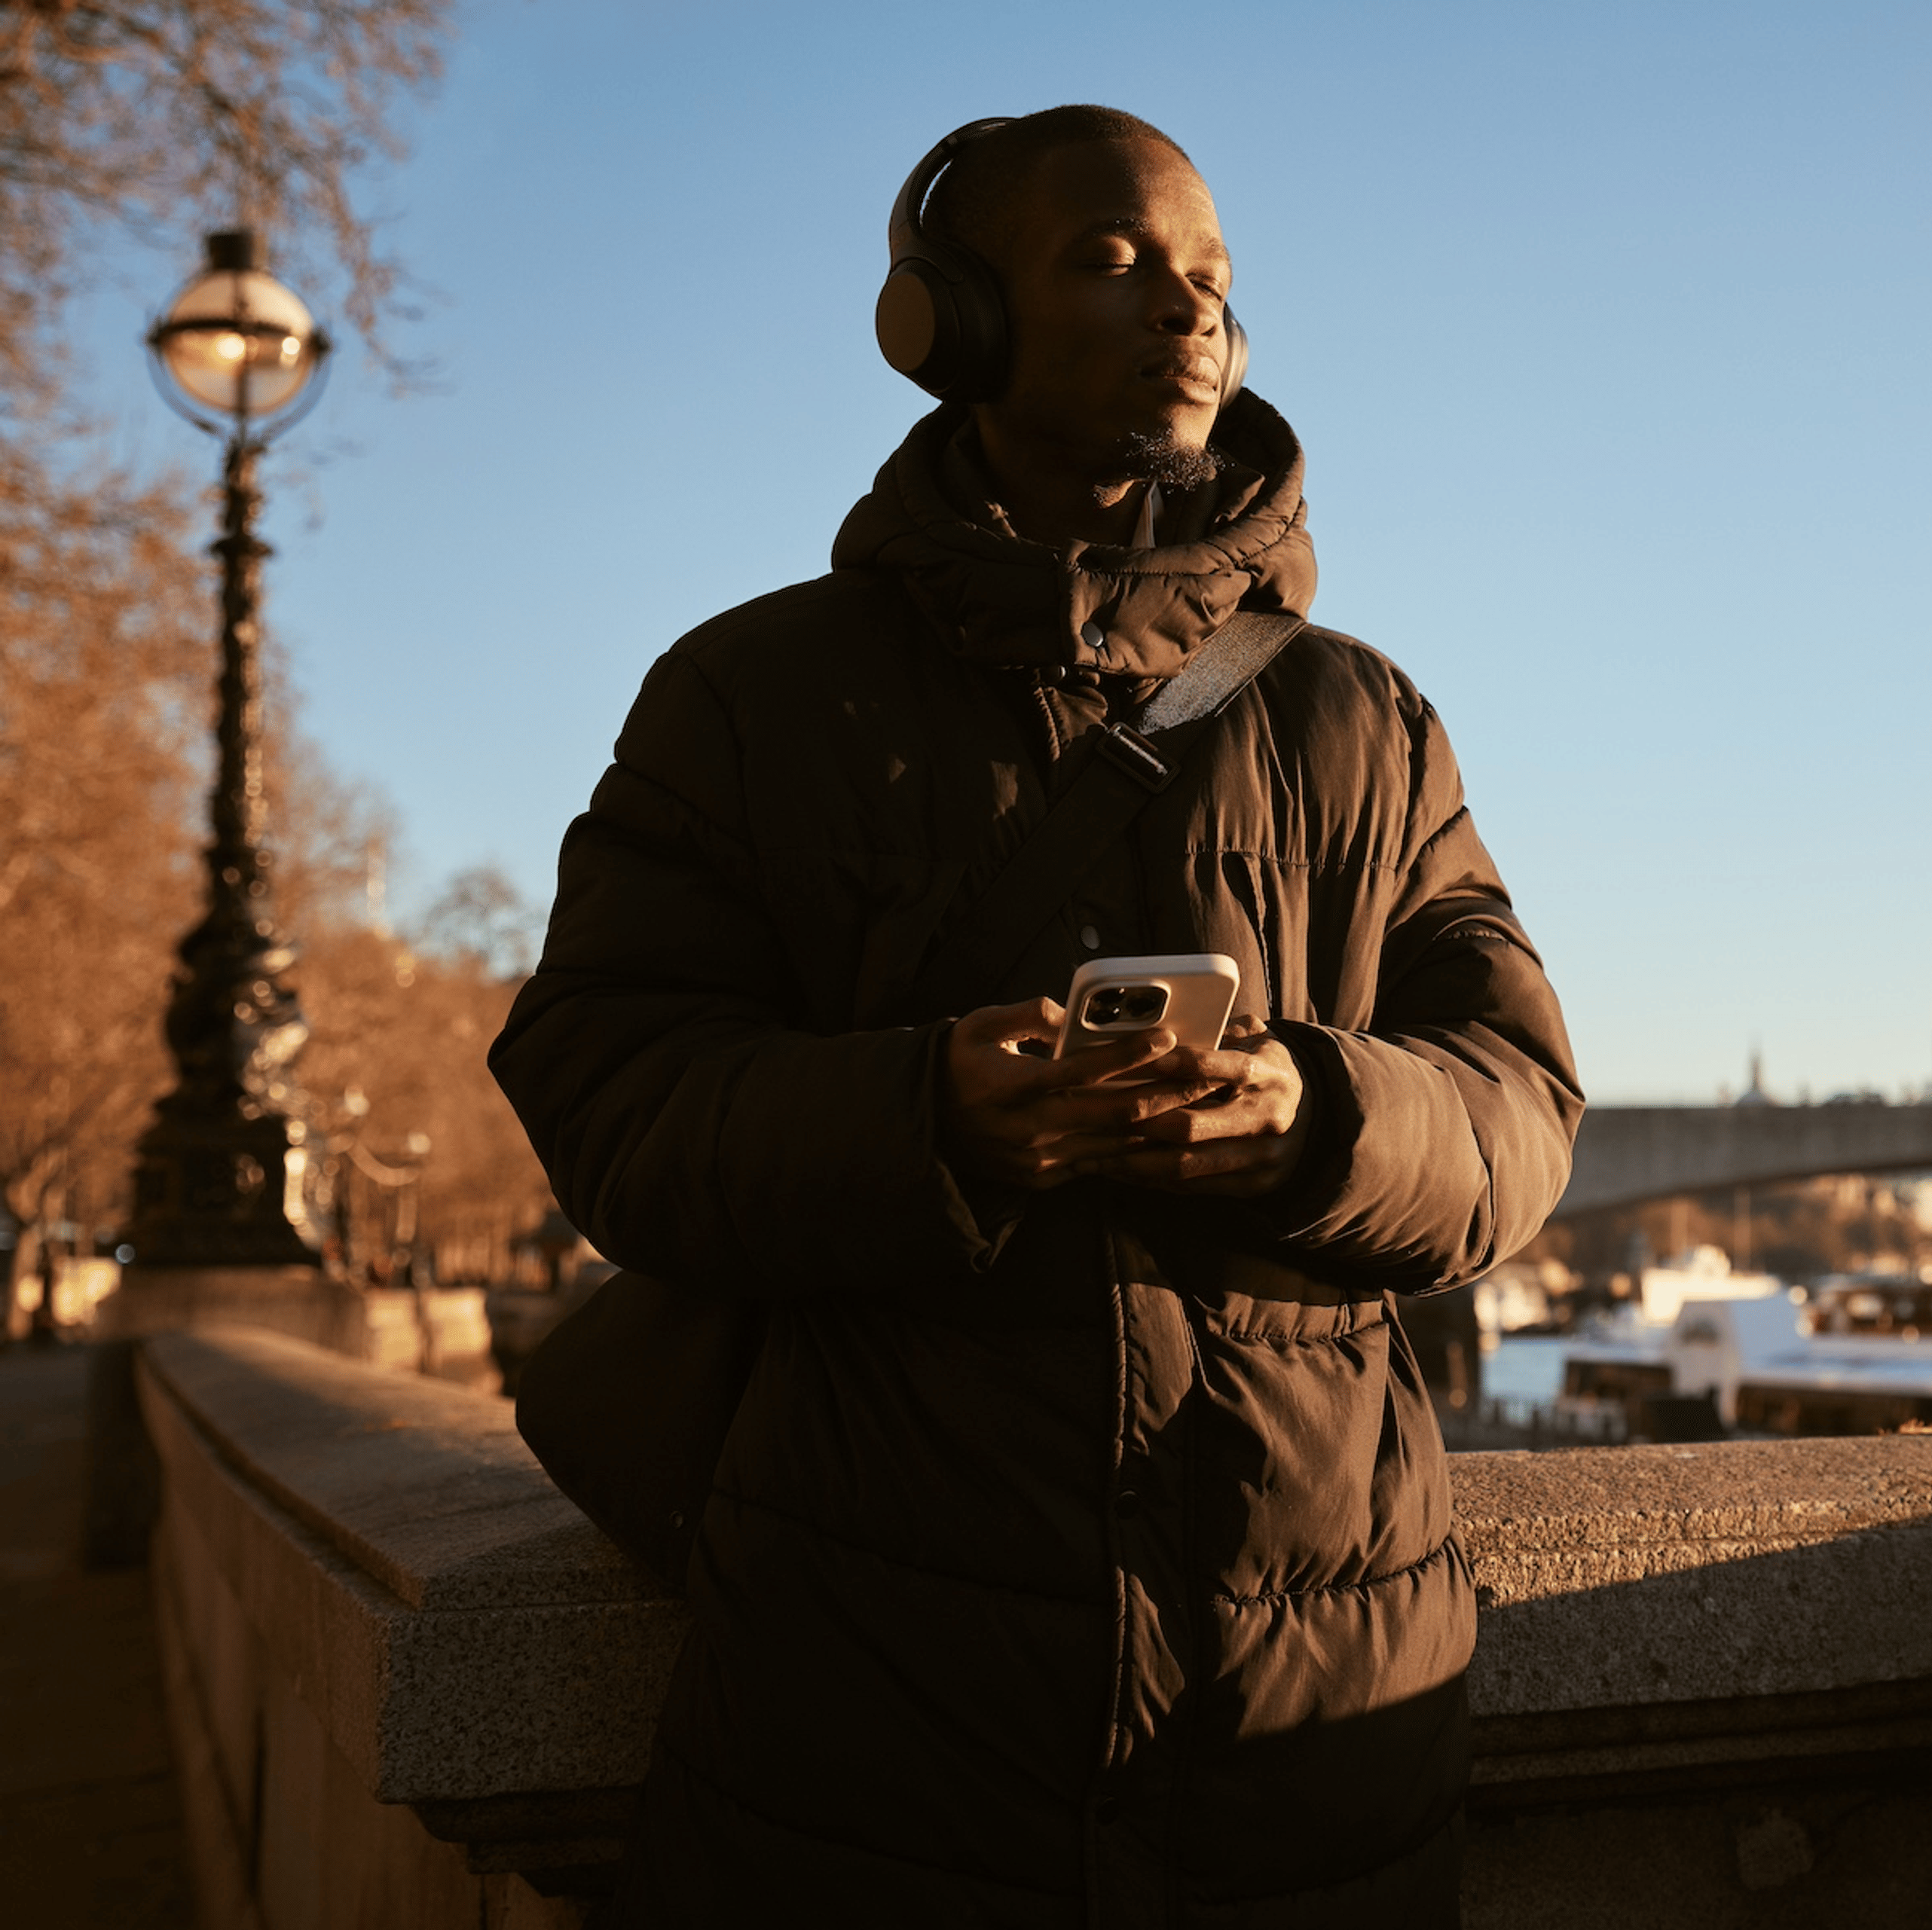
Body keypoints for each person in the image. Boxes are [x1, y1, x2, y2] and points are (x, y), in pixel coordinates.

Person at [489, 105, 1580, 1925]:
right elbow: (605, 1084)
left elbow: (1519, 1107)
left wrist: (1312, 1117)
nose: (1192, 312)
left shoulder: (1365, 721)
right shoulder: (749, 694)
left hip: (1310, 1701)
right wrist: (927, 1118)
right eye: (1113, 258)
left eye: (1215, 278)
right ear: (949, 324)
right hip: (868, 1684)